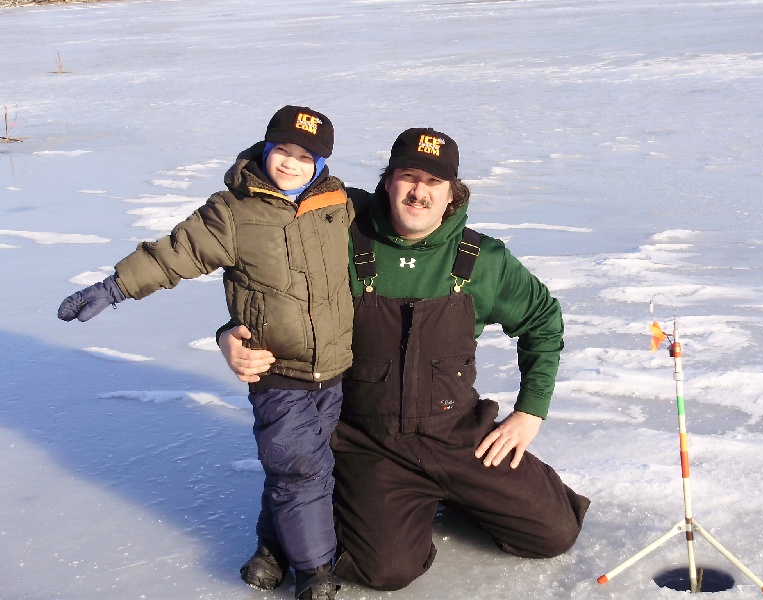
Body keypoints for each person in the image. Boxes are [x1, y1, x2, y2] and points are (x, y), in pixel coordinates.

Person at [219, 126, 591, 591]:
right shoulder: (340, 239)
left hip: (457, 434)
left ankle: (451, 493)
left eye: (434, 182)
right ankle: (333, 506)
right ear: (388, 181)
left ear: (452, 193)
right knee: (385, 571)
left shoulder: (482, 258)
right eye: (408, 176)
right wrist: (230, 337)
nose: (419, 192)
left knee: (554, 532)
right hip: (367, 442)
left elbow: (542, 321)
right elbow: (266, 287)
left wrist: (531, 411)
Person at [57, 105, 356, 600]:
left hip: (336, 367)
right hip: (275, 367)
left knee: (294, 463)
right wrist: (114, 289)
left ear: (320, 164)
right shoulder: (232, 212)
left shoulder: (339, 206)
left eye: (305, 156)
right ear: (265, 148)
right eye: (283, 149)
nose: (291, 163)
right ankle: (314, 569)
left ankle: (271, 549)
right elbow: (175, 252)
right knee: (301, 467)